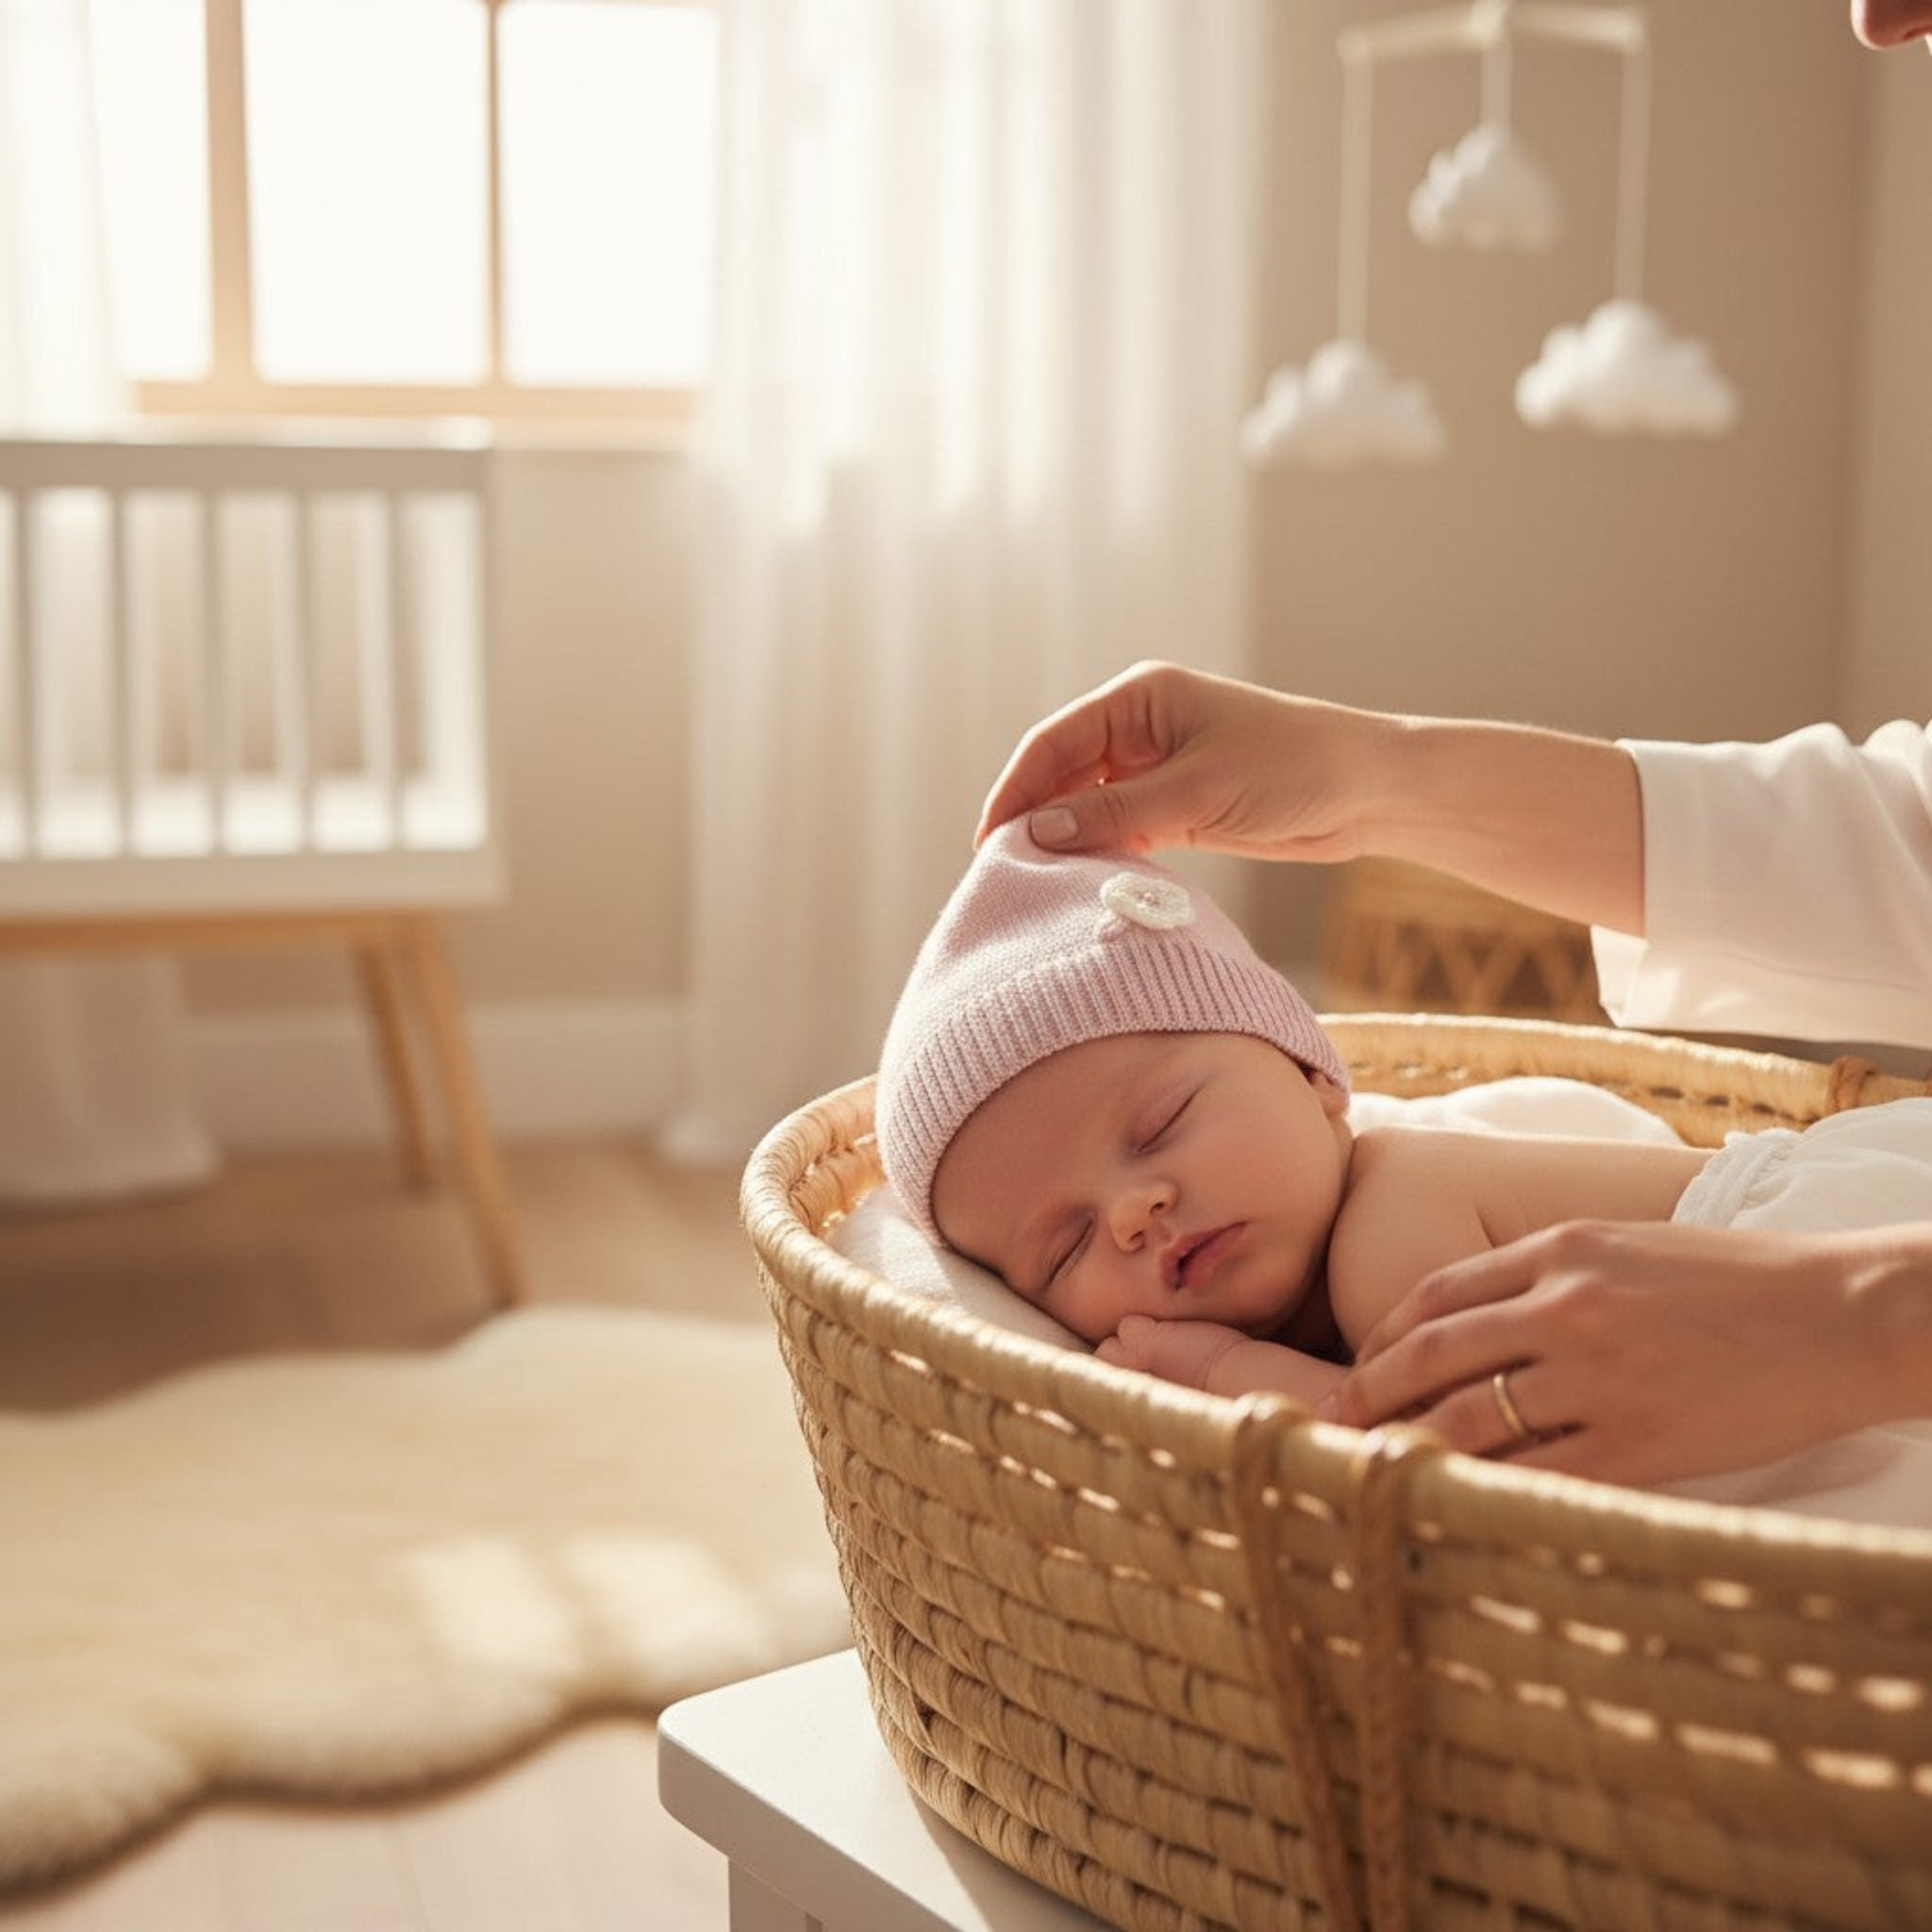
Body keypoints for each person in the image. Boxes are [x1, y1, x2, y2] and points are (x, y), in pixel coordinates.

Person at [970, 659, 1932, 1487]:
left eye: (1162, 1120)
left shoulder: (1389, 1216)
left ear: (1314, 1076)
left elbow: (1448, 1464)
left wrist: (1222, 1368)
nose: (1131, 1209)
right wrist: (1373, 773)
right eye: (1062, 1248)